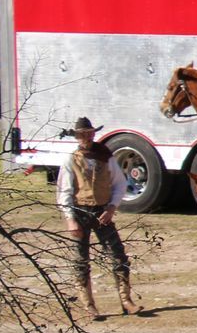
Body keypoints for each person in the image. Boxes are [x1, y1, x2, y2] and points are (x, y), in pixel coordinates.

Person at [56, 116, 141, 318]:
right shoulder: (71, 159)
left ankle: (126, 300)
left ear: (93, 134)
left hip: (103, 211)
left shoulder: (106, 157)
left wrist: (111, 208)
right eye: (81, 134)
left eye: (88, 133)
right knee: (80, 260)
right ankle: (89, 305)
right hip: (80, 212)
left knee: (118, 255)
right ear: (77, 137)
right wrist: (70, 218)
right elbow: (64, 191)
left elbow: (119, 184)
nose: (85, 137)